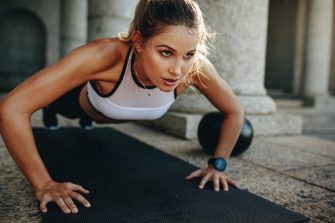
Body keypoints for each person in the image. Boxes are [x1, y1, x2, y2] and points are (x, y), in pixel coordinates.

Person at [0, 0, 244, 215]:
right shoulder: (104, 56)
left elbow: (234, 111)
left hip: (108, 110)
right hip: (80, 103)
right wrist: (43, 185)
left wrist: (218, 164)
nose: (177, 70)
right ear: (138, 41)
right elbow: (11, 108)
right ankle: (52, 108)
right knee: (56, 102)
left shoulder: (194, 69)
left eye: (188, 54)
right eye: (166, 52)